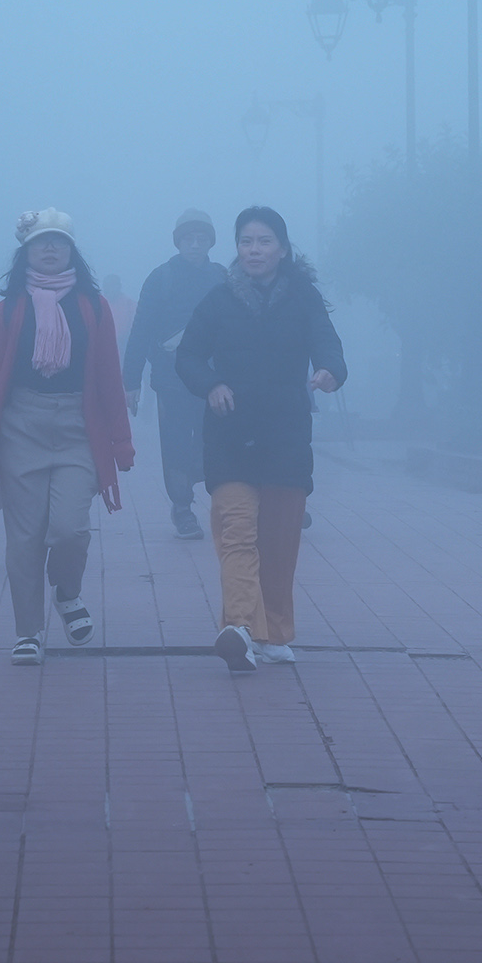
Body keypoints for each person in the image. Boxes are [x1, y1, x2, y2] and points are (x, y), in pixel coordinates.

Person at [0, 208, 135, 664]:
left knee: (71, 529)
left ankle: (67, 594)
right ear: (26, 252)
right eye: (40, 242)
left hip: (77, 427)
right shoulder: (7, 310)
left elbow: (110, 375)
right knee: (25, 537)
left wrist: (121, 439)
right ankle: (28, 631)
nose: (50, 249)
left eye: (58, 241)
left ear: (72, 250)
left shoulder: (93, 306)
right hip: (21, 428)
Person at [175, 205, 345, 672]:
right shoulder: (217, 301)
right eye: (246, 241)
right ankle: (241, 630)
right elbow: (187, 357)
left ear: (282, 249)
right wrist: (211, 385)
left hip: (286, 435)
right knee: (236, 530)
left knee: (279, 539)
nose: (255, 250)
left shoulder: (304, 299)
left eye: (264, 241)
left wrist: (330, 371)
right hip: (230, 436)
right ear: (237, 249)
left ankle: (272, 632)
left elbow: (327, 343)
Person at [121, 208, 227, 540]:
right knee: (177, 445)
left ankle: (217, 496)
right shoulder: (161, 278)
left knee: (216, 442)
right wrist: (130, 381)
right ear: (178, 242)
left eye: (201, 239)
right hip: (171, 380)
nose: (195, 245)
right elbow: (140, 330)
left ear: (210, 242)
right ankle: (182, 507)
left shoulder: (223, 277)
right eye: (188, 239)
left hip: (214, 380)